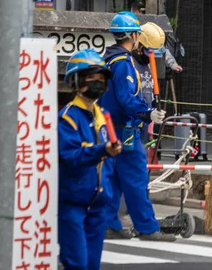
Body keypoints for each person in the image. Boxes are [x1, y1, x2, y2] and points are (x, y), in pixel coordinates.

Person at [99, 11, 174, 242]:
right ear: (133, 35)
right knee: (135, 179)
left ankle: (110, 223)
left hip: (109, 127)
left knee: (114, 179)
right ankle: (147, 227)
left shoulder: (108, 59)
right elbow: (126, 98)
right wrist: (148, 113)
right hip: (125, 129)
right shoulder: (123, 63)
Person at [58, 49, 121, 269]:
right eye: (91, 77)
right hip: (72, 204)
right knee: (77, 265)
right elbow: (70, 157)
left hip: (98, 205)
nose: (97, 83)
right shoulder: (67, 118)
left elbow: (108, 163)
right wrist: (102, 150)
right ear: (76, 81)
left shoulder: (101, 115)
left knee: (92, 265)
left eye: (101, 79)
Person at [131, 22, 167, 147]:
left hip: (145, 120)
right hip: (132, 121)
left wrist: (154, 110)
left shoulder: (148, 65)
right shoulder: (129, 63)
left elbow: (150, 90)